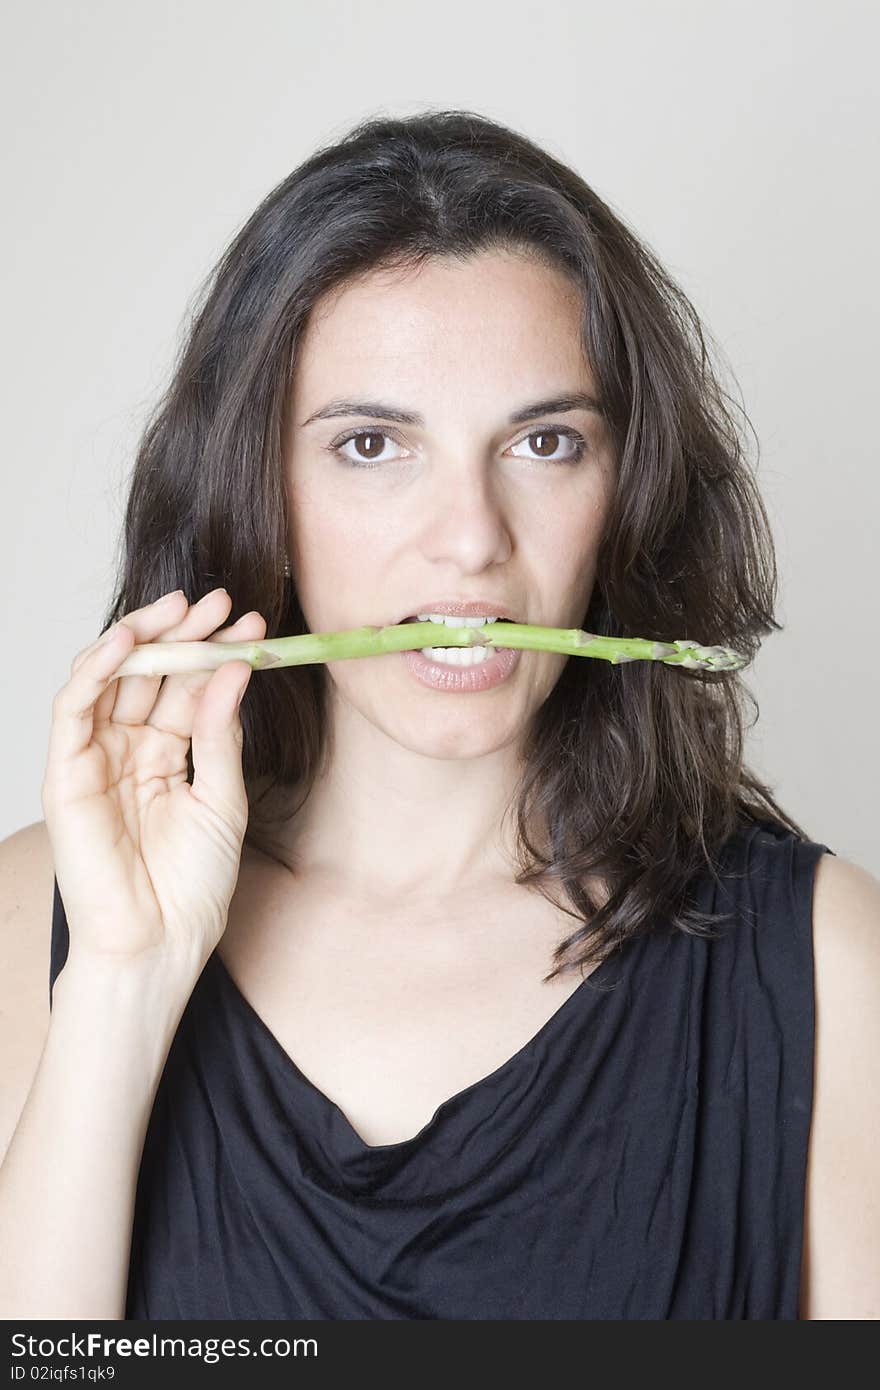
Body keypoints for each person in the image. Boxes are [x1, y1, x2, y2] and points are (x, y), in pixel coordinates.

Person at [0, 109, 878, 1322]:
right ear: (262, 493)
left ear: (624, 490)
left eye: (543, 441)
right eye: (372, 444)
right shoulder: (34, 922)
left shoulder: (835, 963)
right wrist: (122, 981)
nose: (471, 538)